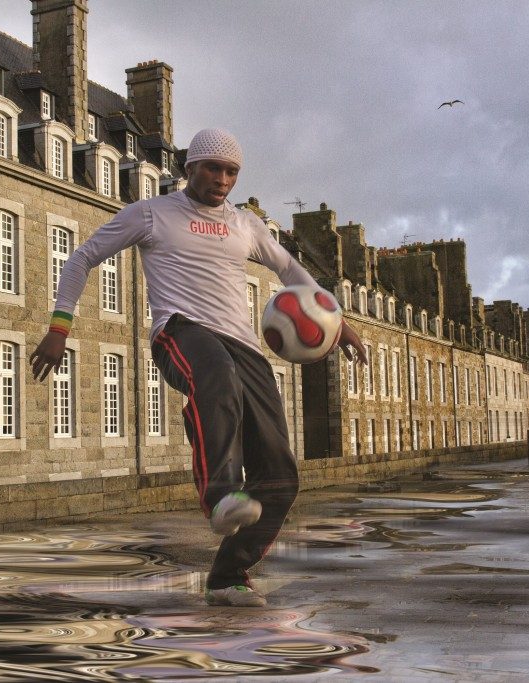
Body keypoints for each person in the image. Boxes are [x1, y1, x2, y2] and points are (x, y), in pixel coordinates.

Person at [29, 128, 367, 607]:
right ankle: (220, 495)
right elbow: (83, 256)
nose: (222, 179)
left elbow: (291, 270)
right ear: (189, 169)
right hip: (179, 331)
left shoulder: (245, 224)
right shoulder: (152, 214)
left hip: (244, 346)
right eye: (212, 168)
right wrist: (59, 327)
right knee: (216, 375)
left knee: (281, 477)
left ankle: (229, 575)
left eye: (231, 172)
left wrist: (338, 323)